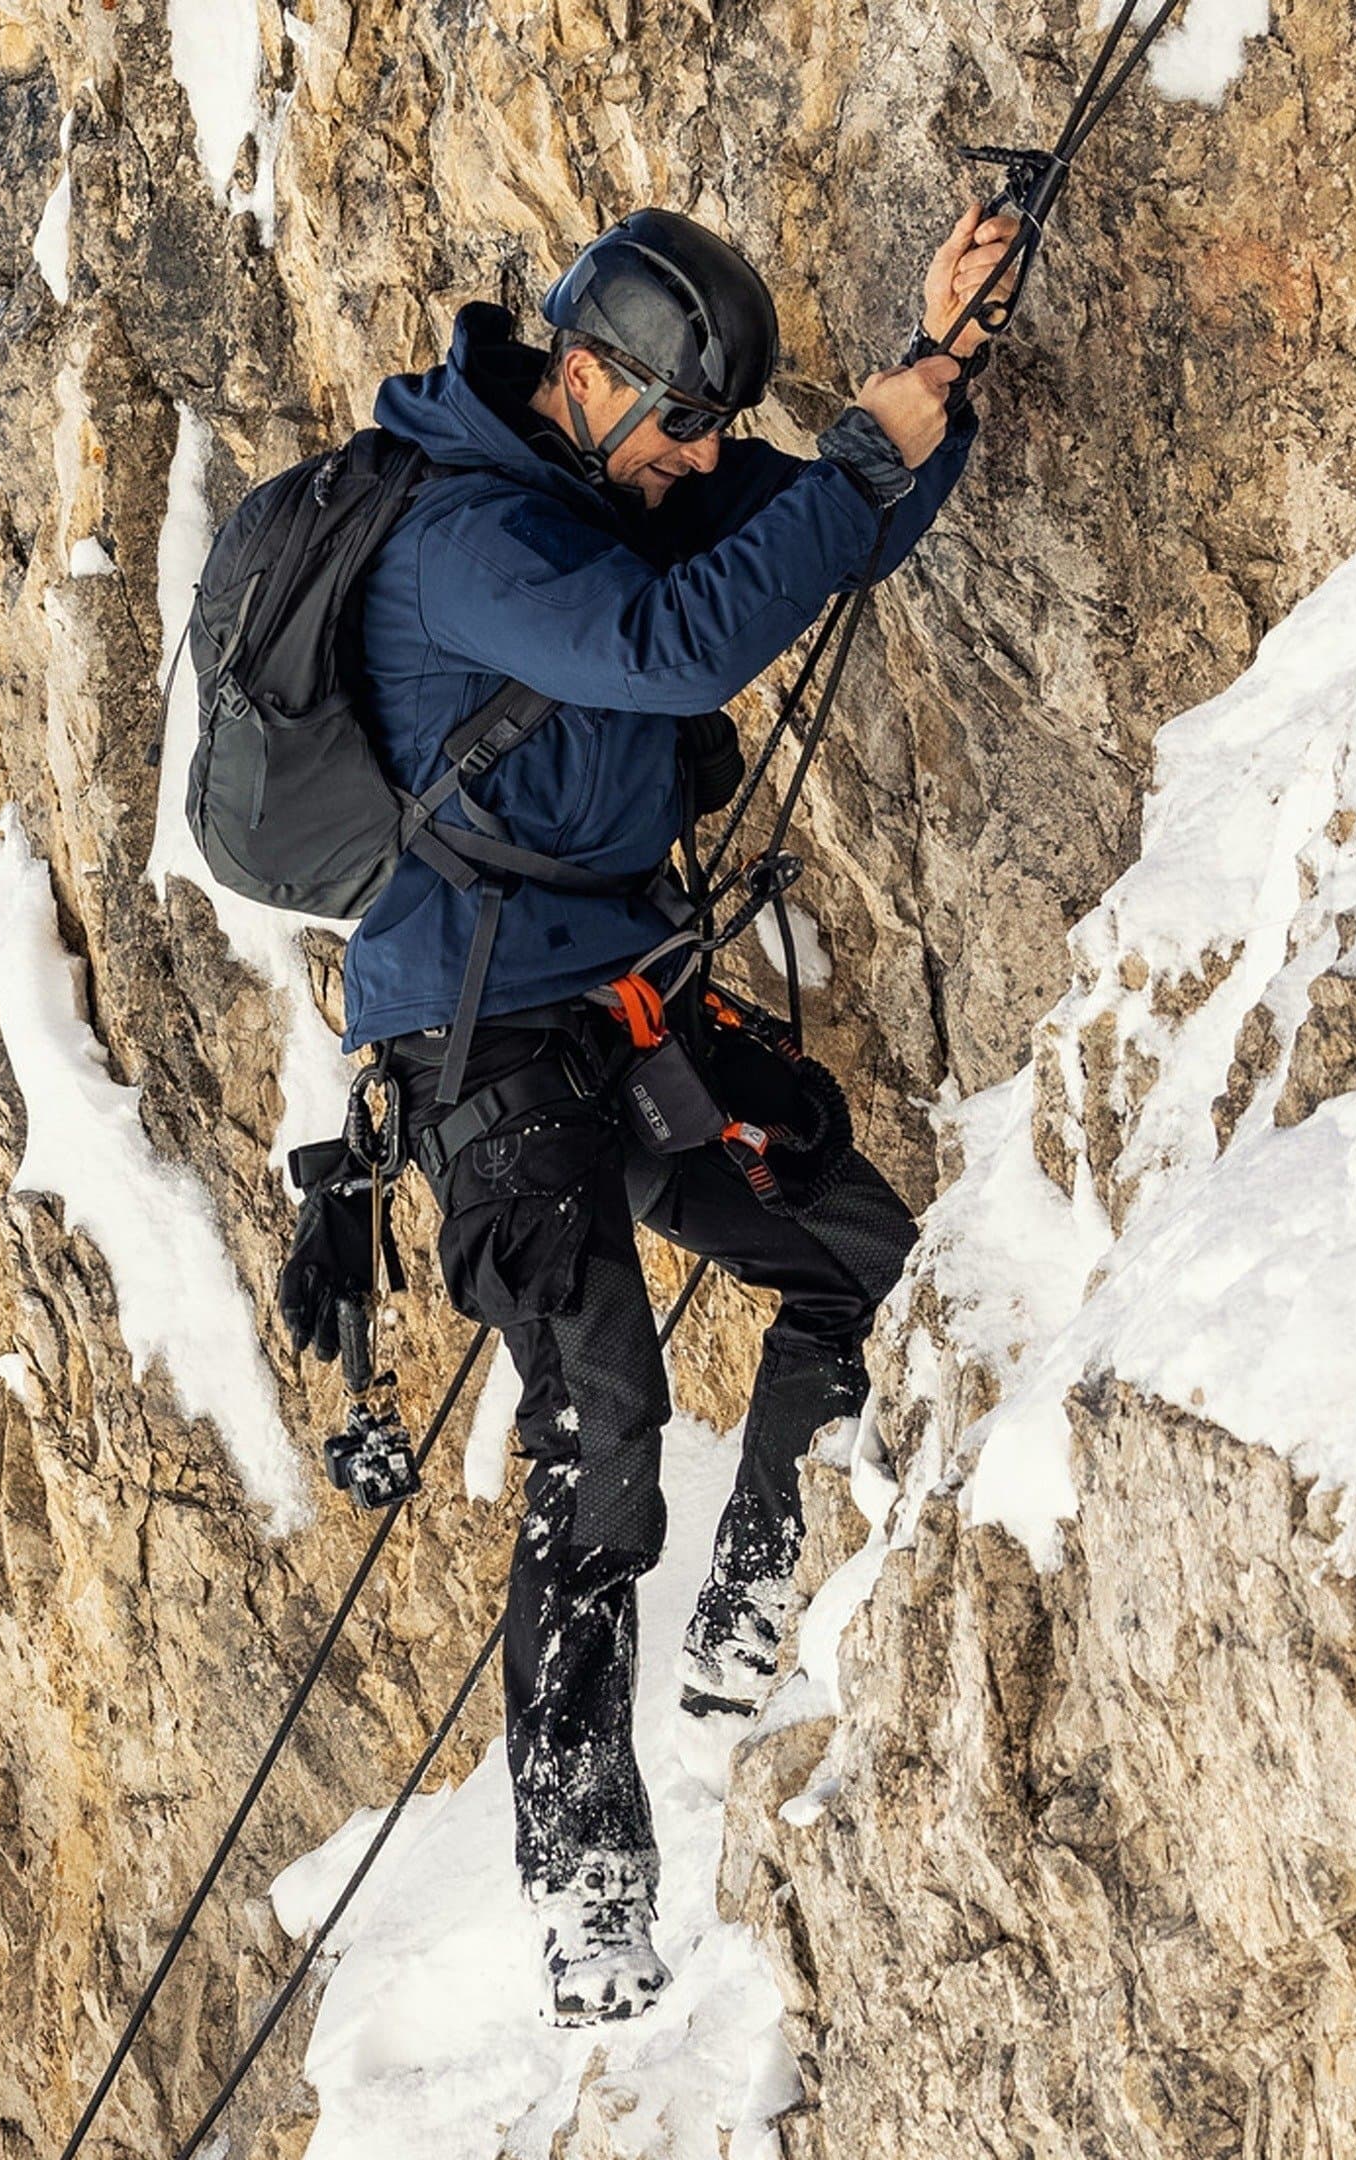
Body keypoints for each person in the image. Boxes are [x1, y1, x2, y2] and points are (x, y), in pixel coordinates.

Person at [339, 203, 1018, 2025]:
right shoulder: (463, 538)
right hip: (481, 1039)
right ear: (590, 375)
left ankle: (750, 1604)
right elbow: (674, 649)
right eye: (690, 428)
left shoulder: (607, 497)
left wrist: (936, 373)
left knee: (869, 1258)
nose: (707, 464)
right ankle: (585, 1875)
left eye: (715, 436)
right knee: (600, 1410)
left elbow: (824, 539)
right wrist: (858, 450)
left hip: (614, 1003)